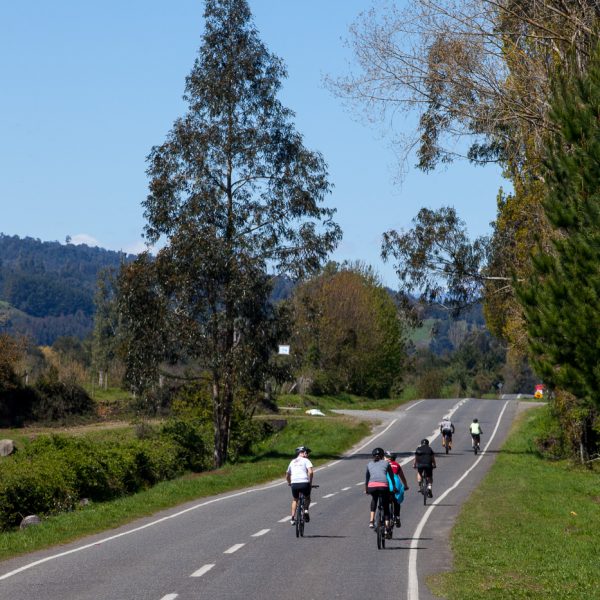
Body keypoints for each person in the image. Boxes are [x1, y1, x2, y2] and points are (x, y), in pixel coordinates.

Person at [365, 447, 397, 535]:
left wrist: (366, 489)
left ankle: (371, 521)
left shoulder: (369, 464)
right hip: (383, 486)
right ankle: (387, 527)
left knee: (374, 500)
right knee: (386, 505)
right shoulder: (386, 463)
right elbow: (391, 476)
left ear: (373, 456)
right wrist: (393, 487)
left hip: (372, 486)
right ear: (383, 456)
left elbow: (367, 479)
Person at [286, 445, 313, 525]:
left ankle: (292, 518)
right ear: (303, 453)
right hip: (304, 482)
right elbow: (310, 472)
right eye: (307, 452)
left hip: (294, 483)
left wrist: (289, 483)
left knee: (295, 499)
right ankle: (306, 510)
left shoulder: (292, 461)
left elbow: (287, 475)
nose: (307, 454)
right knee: (307, 497)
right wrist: (310, 483)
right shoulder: (306, 460)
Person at [384, 450, 409, 527]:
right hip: (396, 484)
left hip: (385, 484)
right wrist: (405, 485)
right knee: (396, 501)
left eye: (384, 457)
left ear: (388, 458)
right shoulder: (396, 465)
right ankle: (397, 517)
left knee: (384, 501)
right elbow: (402, 477)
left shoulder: (383, 465)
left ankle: (383, 519)